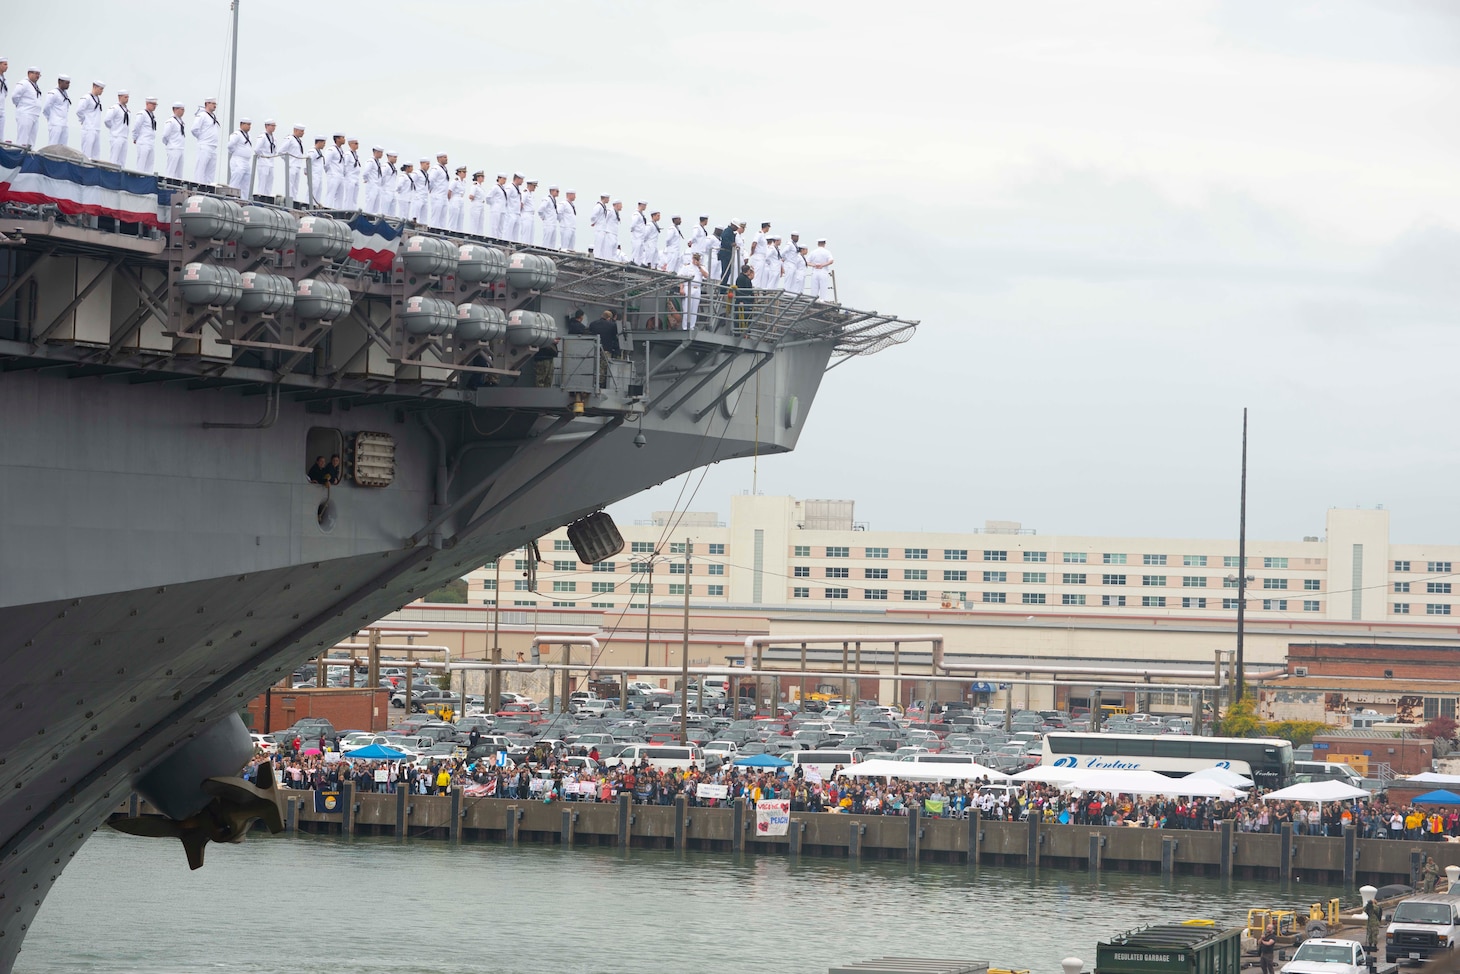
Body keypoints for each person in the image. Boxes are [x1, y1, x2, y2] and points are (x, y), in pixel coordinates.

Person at [190, 98, 222, 184]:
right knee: (201, 169)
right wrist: (202, 138)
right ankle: (198, 186)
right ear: (207, 104)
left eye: (215, 104)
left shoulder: (213, 116)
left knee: (210, 172)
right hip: (204, 145)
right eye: (212, 103)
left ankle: (208, 189)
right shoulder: (202, 115)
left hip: (213, 146)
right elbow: (194, 129)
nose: (215, 106)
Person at [12, 67, 43, 148]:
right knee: (23, 138)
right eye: (36, 74)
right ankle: (19, 155)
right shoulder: (24, 83)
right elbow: (15, 96)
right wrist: (21, 106)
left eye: (39, 74)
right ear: (29, 73)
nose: (38, 76)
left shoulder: (35, 86)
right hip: (26, 113)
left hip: (35, 115)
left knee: (31, 140)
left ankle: (29, 157)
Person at [76, 81, 106, 159]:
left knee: (96, 155)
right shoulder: (87, 98)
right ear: (95, 87)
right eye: (101, 89)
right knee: (87, 154)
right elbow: (79, 111)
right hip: (88, 129)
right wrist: (84, 121)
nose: (102, 91)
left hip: (96, 128)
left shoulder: (97, 99)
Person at [678, 252, 708, 331]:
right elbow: (681, 277)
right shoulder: (686, 267)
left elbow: (706, 276)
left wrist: (699, 267)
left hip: (697, 288)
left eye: (698, 259)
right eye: (695, 259)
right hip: (688, 287)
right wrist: (681, 288)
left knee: (694, 309)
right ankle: (685, 327)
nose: (696, 260)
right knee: (687, 308)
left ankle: (691, 326)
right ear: (692, 259)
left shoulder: (701, 267)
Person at [42, 73, 72, 147]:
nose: (68, 85)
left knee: (63, 146)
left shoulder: (65, 94)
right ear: (60, 82)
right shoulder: (53, 93)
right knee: (53, 145)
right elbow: (46, 108)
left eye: (69, 83)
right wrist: (51, 119)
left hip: (64, 123)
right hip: (55, 123)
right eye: (66, 83)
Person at [102, 89, 130, 167]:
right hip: (116, 136)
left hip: (124, 136)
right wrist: (113, 128)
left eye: (128, 97)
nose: (127, 99)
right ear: (120, 97)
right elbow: (107, 120)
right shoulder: (115, 108)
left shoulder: (127, 111)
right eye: (125, 97)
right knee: (114, 158)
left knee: (122, 160)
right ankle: (112, 173)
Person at [226, 118, 253, 194]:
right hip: (238, 159)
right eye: (247, 124)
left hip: (246, 161)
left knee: (246, 183)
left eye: (250, 125)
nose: (249, 126)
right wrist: (234, 152)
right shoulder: (237, 134)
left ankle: (244, 200)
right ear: (242, 124)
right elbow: (230, 145)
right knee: (236, 180)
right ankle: (232, 197)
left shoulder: (249, 136)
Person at [131, 97, 158, 173]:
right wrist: (135, 137)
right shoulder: (142, 114)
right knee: (141, 163)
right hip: (143, 141)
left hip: (151, 142)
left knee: (150, 164)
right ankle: (139, 178)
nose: (154, 106)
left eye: (155, 104)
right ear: (147, 104)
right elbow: (137, 126)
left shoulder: (152, 116)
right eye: (153, 104)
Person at [161, 102, 187, 179]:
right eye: (181, 109)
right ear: (175, 109)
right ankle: (168, 184)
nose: (183, 111)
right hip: (173, 148)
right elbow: (165, 135)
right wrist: (170, 145)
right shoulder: (171, 121)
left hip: (180, 148)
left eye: (183, 110)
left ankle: (177, 186)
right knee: (171, 170)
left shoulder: (181, 122)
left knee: (179, 172)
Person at [254, 120, 278, 197]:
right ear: (267, 126)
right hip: (263, 161)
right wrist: (262, 156)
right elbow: (257, 149)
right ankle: (260, 196)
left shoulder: (274, 138)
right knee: (263, 182)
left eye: (274, 126)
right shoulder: (262, 136)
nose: (274, 127)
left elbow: (275, 151)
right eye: (272, 125)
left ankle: (267, 197)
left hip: (271, 162)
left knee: (270, 181)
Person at [361, 146, 387, 214]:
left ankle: (373, 217)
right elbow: (366, 172)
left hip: (377, 185)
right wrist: (366, 179)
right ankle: (367, 216)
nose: (382, 154)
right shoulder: (371, 161)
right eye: (381, 153)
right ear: (376, 152)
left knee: (376, 204)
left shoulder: (378, 162)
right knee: (370, 201)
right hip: (372, 184)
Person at [537, 184, 561, 249]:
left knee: (552, 242)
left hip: (553, 224)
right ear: (552, 191)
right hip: (548, 223)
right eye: (557, 191)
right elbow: (540, 209)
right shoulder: (547, 199)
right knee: (546, 241)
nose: (558, 193)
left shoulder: (553, 200)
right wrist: (543, 217)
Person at [487, 173, 510, 238]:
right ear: (499, 179)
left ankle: (499, 239)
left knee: (500, 227)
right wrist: (494, 204)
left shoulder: (503, 188)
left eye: (505, 179)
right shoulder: (495, 187)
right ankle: (493, 239)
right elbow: (488, 197)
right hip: (496, 209)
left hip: (502, 209)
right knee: (494, 226)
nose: (505, 180)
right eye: (503, 179)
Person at [517, 178, 537, 244]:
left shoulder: (531, 194)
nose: (535, 188)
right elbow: (521, 204)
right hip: (526, 214)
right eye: (534, 186)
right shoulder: (525, 193)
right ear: (530, 185)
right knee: (526, 234)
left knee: (531, 235)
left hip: (531, 215)